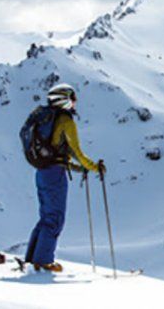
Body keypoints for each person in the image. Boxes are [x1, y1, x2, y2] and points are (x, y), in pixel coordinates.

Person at [24, 83, 105, 272]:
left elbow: (59, 154)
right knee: (55, 218)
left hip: (42, 171)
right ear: (65, 100)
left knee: (46, 217)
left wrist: (79, 169)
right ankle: (44, 262)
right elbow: (76, 152)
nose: (75, 103)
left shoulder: (47, 119)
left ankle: (32, 259)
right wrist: (94, 168)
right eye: (73, 98)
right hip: (55, 175)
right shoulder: (65, 121)